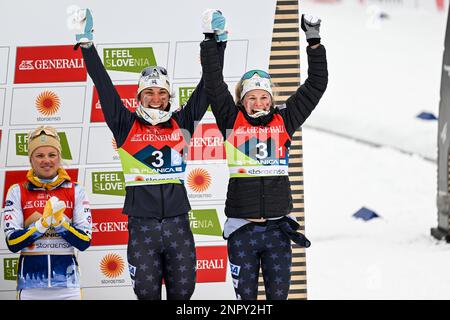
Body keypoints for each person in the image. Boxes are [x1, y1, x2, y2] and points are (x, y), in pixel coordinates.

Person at [71, 9, 225, 300]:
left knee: (184, 296)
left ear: (169, 96)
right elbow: (104, 85)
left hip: (178, 224)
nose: (156, 99)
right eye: (149, 93)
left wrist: (218, 44)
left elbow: (209, 88)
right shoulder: (124, 123)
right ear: (139, 97)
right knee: (146, 295)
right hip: (142, 227)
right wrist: (87, 45)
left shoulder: (183, 121)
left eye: (161, 93)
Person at [200, 11, 328, 300]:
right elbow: (213, 82)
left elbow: (316, 85)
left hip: (277, 232)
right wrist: (210, 41)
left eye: (264, 97)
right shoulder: (231, 120)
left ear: (272, 99)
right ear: (242, 101)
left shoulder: (286, 120)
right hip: (242, 231)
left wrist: (314, 41)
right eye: (251, 97)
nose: (258, 102)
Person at [2, 125, 92, 300]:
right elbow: (12, 242)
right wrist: (41, 226)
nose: (46, 160)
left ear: (59, 157)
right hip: (31, 285)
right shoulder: (17, 191)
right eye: (39, 155)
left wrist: (61, 225)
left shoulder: (76, 190)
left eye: (52, 155)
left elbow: (84, 241)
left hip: (68, 286)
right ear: (31, 159)